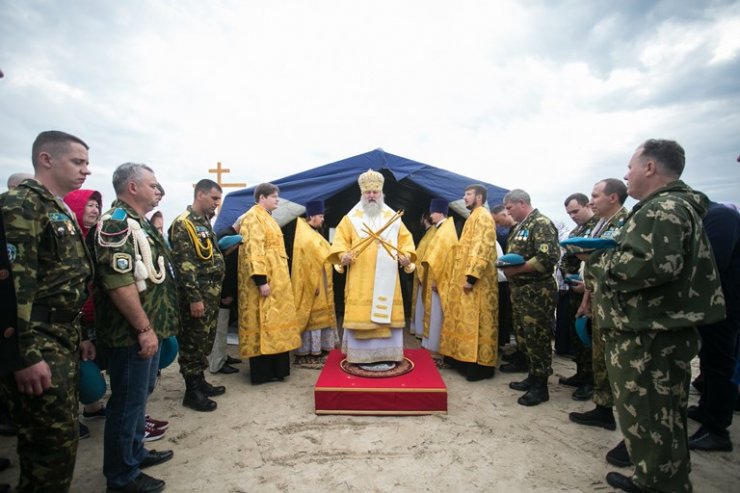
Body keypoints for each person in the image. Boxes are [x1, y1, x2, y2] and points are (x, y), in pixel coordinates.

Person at [588, 139, 726, 492]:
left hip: (648, 336)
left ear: (649, 167)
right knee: (661, 416)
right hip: (654, 331)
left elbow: (649, 266)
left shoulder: (662, 208)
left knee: (649, 414)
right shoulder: (670, 206)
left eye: (630, 167)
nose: (626, 175)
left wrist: (597, 262)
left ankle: (658, 483)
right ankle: (658, 478)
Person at [0, 131, 93, 492]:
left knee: (61, 443)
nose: (86, 170)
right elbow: (12, 287)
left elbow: (62, 282)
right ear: (46, 159)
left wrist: (78, 334)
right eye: (78, 162)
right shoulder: (21, 205)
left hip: (60, 337)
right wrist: (24, 355)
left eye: (87, 163)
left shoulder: (56, 208)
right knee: (47, 451)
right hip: (37, 342)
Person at [90, 162, 178, 493]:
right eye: (152, 184)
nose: (158, 190)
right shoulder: (117, 223)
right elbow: (118, 282)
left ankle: (135, 452)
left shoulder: (139, 223)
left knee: (138, 400)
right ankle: (122, 476)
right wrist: (143, 329)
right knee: (126, 404)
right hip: (130, 334)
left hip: (148, 328)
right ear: (132, 187)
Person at [328, 169, 416, 366]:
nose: (371, 195)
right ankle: (360, 355)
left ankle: (388, 355)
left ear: (381, 193)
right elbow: (340, 241)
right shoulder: (351, 218)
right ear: (362, 194)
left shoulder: (393, 217)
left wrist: (406, 256)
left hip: (388, 278)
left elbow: (406, 242)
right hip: (361, 277)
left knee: (386, 316)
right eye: (367, 192)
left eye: (375, 192)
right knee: (364, 315)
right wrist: (343, 255)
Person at [569, 179, 628, 431]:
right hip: (598, 299)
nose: (591, 201)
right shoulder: (601, 224)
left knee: (617, 363)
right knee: (600, 357)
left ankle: (623, 418)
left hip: (616, 304)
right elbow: (592, 270)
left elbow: (620, 265)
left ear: (612, 197)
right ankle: (603, 410)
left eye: (595, 196)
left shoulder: (625, 222)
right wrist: (586, 301)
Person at [687, 201, 740, 451]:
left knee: (720, 365)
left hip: (724, 306)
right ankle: (706, 409)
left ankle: (717, 430)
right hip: (711, 305)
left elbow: (711, 263)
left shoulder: (720, 217)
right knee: (709, 361)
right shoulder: (711, 216)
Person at [169, 179, 226, 412]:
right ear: (200, 194)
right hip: (197, 295)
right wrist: (194, 298)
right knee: (193, 341)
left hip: (210, 294)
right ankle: (192, 391)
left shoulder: (203, 223)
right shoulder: (183, 224)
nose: (217, 203)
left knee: (204, 339)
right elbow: (185, 266)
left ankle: (200, 381)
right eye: (214, 198)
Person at [500, 189, 560, 406]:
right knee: (525, 336)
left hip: (537, 291)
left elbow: (547, 257)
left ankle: (541, 386)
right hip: (521, 291)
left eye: (510, 208)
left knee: (538, 338)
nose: (508, 213)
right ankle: (532, 376)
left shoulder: (540, 223)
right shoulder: (521, 226)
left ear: (522, 203)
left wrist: (517, 270)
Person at [237, 183, 301, 384]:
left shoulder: (268, 218)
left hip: (277, 281)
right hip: (264, 282)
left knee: (275, 324)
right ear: (262, 197)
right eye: (273, 196)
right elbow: (253, 249)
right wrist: (261, 280)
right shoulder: (252, 217)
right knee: (263, 323)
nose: (277, 200)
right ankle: (263, 373)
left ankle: (277, 370)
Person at [439, 185, 498, 381]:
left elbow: (482, 247)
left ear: (479, 197)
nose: (464, 198)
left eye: (468, 194)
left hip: (477, 284)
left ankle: (478, 368)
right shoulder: (473, 216)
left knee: (475, 323)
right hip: (465, 279)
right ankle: (460, 361)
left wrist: (472, 277)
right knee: (464, 321)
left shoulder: (484, 216)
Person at [63, 189, 107, 439]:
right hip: (71, 316)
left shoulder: (96, 237)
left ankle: (93, 408)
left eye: (96, 206)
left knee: (93, 361)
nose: (95, 210)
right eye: (89, 205)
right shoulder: (68, 239)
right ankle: (69, 419)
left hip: (94, 313)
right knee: (74, 370)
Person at [557, 193, 597, 400]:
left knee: (590, 338)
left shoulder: (600, 227)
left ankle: (591, 381)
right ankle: (581, 373)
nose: (573, 216)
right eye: (569, 214)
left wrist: (586, 284)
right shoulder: (576, 231)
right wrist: (568, 277)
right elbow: (566, 258)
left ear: (587, 205)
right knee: (577, 336)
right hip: (574, 290)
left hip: (591, 292)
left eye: (575, 211)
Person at [291, 200, 337, 359]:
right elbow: (308, 264)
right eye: (321, 216)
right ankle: (311, 348)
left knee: (323, 313)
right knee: (313, 315)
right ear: (312, 216)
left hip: (320, 278)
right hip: (314, 282)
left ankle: (321, 345)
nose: (323, 219)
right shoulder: (306, 235)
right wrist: (313, 284)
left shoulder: (311, 232)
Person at [421, 199, 458, 354]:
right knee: (433, 312)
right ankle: (431, 344)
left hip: (440, 279)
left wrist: (436, 280)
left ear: (440, 212)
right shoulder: (442, 228)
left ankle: (436, 346)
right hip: (436, 277)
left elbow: (441, 258)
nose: (431, 216)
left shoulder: (445, 231)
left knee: (437, 313)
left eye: (433, 212)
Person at [207, 227, 242, 375]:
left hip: (222, 298)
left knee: (221, 330)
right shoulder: (220, 260)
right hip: (220, 300)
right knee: (219, 332)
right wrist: (226, 296)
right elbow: (220, 280)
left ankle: (223, 357)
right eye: (235, 246)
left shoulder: (222, 256)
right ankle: (217, 364)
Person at [410, 212, 434, 338]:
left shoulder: (432, 233)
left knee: (421, 304)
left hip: (424, 275)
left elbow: (426, 257)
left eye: (421, 217)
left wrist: (421, 274)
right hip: (420, 273)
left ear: (425, 219)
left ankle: (421, 331)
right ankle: (418, 329)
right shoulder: (428, 233)